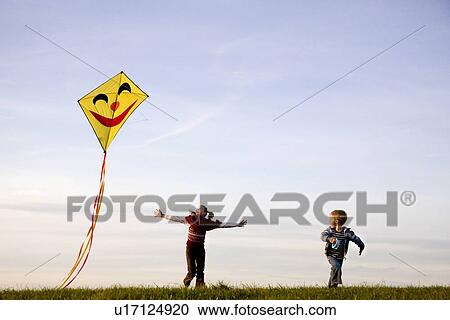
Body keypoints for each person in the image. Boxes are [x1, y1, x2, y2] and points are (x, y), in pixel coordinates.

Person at [154, 205, 247, 287]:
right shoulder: (192, 219)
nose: (198, 211)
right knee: (192, 271)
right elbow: (176, 218)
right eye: (198, 210)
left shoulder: (206, 222)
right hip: (190, 248)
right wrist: (162, 215)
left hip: (200, 248)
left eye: (200, 210)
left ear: (204, 213)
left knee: (200, 269)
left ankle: (200, 287)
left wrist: (237, 224)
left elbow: (223, 225)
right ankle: (187, 281)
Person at [320, 209, 365, 288]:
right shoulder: (330, 231)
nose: (329, 221)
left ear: (336, 221)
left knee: (336, 270)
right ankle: (334, 284)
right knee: (336, 267)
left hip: (340, 257)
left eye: (331, 219)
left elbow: (355, 238)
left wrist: (361, 245)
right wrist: (329, 239)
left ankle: (331, 288)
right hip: (331, 255)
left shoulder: (346, 232)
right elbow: (322, 235)